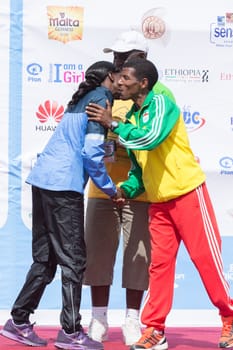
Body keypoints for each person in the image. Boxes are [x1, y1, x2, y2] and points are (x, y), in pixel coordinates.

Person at [86, 57, 233, 350]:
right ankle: (155, 329)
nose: (120, 82)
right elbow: (141, 167)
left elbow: (150, 140)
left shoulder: (162, 104)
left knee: (206, 261)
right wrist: (126, 189)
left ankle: (230, 318)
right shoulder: (134, 118)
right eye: (118, 77)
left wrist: (112, 122)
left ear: (143, 83)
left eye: (126, 77)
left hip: (188, 194)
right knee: (159, 267)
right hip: (158, 204)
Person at [0, 61, 122, 350]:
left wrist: (112, 138)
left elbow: (95, 146)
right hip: (62, 186)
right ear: (109, 77)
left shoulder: (83, 98)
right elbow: (92, 153)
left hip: (43, 181)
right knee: (74, 261)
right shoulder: (101, 99)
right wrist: (111, 189)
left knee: (45, 259)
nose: (122, 82)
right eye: (119, 76)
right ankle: (70, 331)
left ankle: (18, 320)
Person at [83, 29, 176, 346]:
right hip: (101, 189)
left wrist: (115, 126)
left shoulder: (152, 100)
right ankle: (98, 318)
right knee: (97, 256)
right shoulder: (101, 92)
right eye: (115, 56)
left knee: (138, 258)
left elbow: (149, 140)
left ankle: (133, 320)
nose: (116, 62)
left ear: (142, 59)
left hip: (139, 191)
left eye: (124, 57)